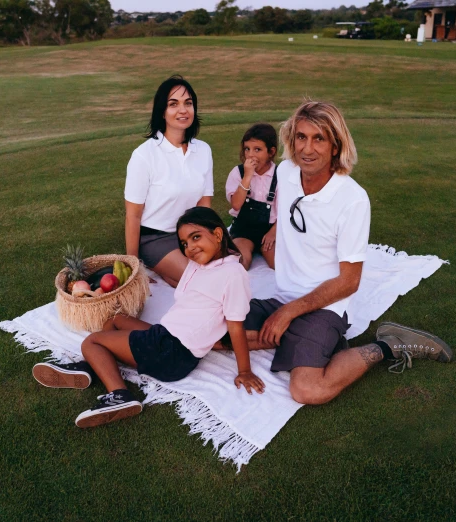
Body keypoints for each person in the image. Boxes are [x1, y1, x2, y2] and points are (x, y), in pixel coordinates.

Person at [239, 101, 453, 405]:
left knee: (307, 390)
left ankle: (389, 344)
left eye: (319, 138)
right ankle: (309, 343)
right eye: (301, 137)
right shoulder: (286, 172)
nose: (307, 149)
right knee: (215, 333)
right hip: (283, 294)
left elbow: (350, 282)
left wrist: (288, 313)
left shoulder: (352, 199)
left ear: (335, 145)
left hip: (325, 307)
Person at [32, 207, 265, 428]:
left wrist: (244, 371)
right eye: (184, 243)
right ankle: (95, 363)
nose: (189, 248)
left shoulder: (232, 274)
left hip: (171, 353)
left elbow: (235, 326)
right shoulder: (200, 265)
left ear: (217, 234)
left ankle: (119, 394)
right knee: (116, 319)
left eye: (196, 237)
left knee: (91, 341)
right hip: (165, 336)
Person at [124, 75, 214, 288]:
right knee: (204, 281)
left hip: (189, 235)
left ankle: (171, 275)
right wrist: (134, 268)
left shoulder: (203, 150)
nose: (183, 110)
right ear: (162, 112)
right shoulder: (144, 156)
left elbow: (204, 205)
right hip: (154, 238)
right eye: (173, 104)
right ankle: (160, 265)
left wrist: (210, 241)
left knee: (229, 266)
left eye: (188, 103)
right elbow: (133, 216)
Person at [225, 123, 280, 270]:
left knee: (278, 263)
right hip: (244, 229)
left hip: (270, 229)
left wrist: (273, 232)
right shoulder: (238, 173)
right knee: (241, 262)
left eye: (258, 150)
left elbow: (286, 210)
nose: (251, 155)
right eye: (247, 149)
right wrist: (248, 176)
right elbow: (236, 204)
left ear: (271, 152)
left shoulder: (280, 175)